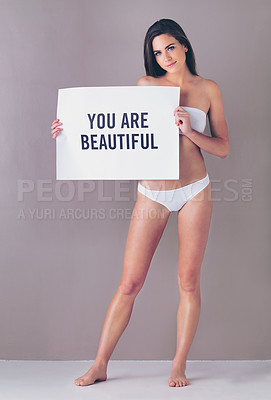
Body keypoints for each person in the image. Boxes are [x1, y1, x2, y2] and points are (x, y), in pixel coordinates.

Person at [50, 18, 229, 388]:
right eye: (157, 52)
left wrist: (191, 131)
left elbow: (223, 147)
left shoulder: (208, 89)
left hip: (195, 189)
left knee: (189, 281)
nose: (164, 57)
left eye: (169, 48)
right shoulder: (147, 86)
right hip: (153, 192)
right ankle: (99, 364)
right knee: (130, 283)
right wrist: (69, 130)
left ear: (184, 45)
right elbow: (118, 131)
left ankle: (179, 365)